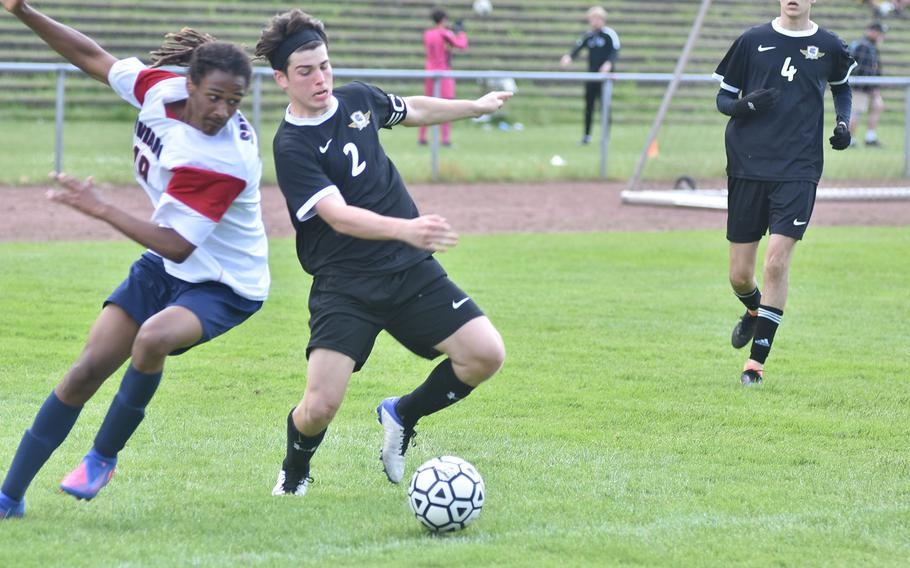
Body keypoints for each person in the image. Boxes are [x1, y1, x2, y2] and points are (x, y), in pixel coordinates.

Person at [0, 0, 268, 519]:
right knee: (84, 371)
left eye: (235, 101)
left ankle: (103, 456)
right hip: (163, 267)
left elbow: (178, 243)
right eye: (215, 97)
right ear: (188, 85)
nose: (223, 111)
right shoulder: (157, 88)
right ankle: (8, 497)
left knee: (153, 338)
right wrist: (24, 11)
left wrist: (100, 209)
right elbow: (91, 55)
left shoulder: (225, 160)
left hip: (225, 284)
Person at [254, 9, 509, 496]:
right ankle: (294, 471)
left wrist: (474, 107)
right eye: (305, 71)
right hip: (345, 283)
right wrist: (406, 228)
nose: (320, 78)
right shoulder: (291, 146)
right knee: (319, 407)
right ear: (282, 79)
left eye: (324, 65)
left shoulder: (357, 98)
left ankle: (402, 414)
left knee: (484, 355)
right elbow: (338, 216)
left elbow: (412, 109)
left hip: (408, 270)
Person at [713, 0, 855, 386]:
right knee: (740, 276)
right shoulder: (752, 40)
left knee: (776, 262)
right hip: (747, 164)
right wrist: (743, 105)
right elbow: (723, 98)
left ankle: (754, 366)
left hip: (799, 168)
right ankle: (754, 311)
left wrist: (844, 123)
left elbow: (842, 89)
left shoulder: (830, 46)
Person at [560, 6, 620, 145]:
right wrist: (569, 57)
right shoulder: (589, 36)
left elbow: (615, 51)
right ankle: (587, 137)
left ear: (602, 19)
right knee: (589, 106)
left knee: (605, 106)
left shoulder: (610, 34)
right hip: (592, 77)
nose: (594, 21)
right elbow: (578, 48)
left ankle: (605, 138)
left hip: (605, 78)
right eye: (591, 19)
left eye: (596, 18)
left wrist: (608, 64)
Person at [418, 7, 468, 147]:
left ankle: (422, 137)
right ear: (444, 20)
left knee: (426, 105)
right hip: (443, 73)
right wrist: (461, 33)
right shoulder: (445, 33)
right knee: (448, 106)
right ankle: (445, 139)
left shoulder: (427, 33)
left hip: (429, 72)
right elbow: (461, 45)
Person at [849, 22, 887, 147]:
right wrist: (872, 87)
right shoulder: (864, 46)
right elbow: (862, 69)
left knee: (877, 107)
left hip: (870, 87)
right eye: (880, 33)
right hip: (861, 88)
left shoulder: (869, 45)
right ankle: (849, 140)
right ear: (873, 32)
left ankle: (870, 138)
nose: (882, 36)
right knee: (856, 112)